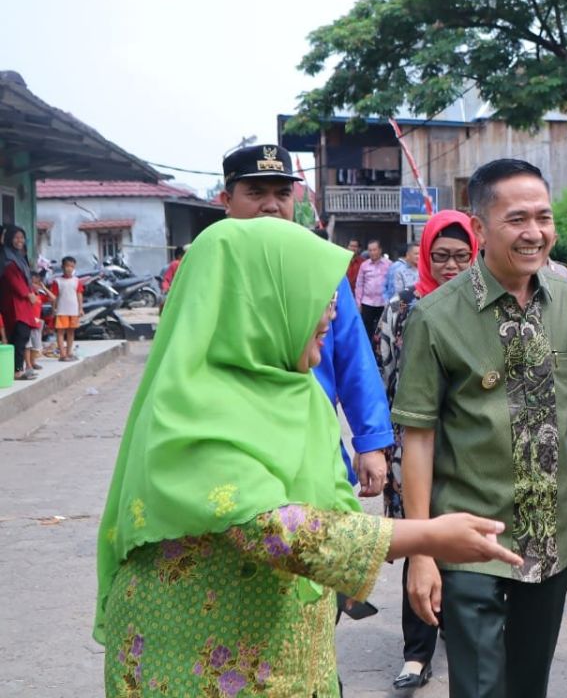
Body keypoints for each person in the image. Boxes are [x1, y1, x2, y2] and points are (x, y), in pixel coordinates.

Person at [93, 217, 521, 696]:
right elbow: (269, 527)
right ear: (259, 301)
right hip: (193, 661)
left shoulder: (303, 394)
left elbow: (333, 509)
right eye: (317, 297)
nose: (333, 315)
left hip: (293, 652)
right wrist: (425, 536)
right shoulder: (191, 403)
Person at [393, 158, 567, 698]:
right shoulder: (434, 317)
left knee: (529, 686)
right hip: (470, 538)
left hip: (553, 535)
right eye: (517, 219)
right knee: (479, 688)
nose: (535, 233)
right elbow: (419, 436)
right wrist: (422, 551)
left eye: (543, 218)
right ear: (479, 227)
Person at [219, 144, 391, 497]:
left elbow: (353, 358)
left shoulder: (320, 267)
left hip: (313, 443)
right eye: (255, 193)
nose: (271, 205)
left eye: (283, 194)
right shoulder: (213, 270)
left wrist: (370, 441)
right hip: (234, 452)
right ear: (226, 200)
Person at [377, 210, 479, 694]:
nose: (451, 267)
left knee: (463, 545)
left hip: (467, 447)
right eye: (441, 257)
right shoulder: (401, 307)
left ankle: (462, 638)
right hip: (411, 442)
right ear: (425, 256)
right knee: (421, 541)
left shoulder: (483, 305)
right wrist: (377, 444)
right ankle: (417, 654)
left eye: (462, 256)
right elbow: (383, 376)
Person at [1, 225, 39, 381]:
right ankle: (17, 370)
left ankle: (17, 368)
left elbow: (24, 277)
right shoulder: (6, 257)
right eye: (16, 237)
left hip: (21, 302)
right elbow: (12, 278)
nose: (20, 240)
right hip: (13, 301)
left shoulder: (18, 255)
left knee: (21, 335)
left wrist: (30, 291)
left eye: (22, 238)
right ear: (10, 238)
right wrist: (27, 293)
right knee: (19, 334)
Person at [50, 256, 85, 361]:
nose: (69, 268)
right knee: (60, 332)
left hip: (73, 311)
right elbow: (54, 297)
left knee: (71, 332)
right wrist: (53, 309)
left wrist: (80, 308)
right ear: (62, 267)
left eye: (72, 266)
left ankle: (69, 352)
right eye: (67, 266)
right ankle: (62, 354)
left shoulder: (76, 281)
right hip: (61, 311)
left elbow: (79, 295)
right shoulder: (57, 281)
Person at [355, 239, 390, 336]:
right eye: (370, 250)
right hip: (367, 302)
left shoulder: (389, 264)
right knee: (366, 330)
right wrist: (358, 303)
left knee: (382, 330)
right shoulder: (364, 265)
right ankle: (367, 349)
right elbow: (359, 285)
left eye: (374, 250)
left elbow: (391, 285)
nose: (372, 252)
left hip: (383, 303)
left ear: (380, 250)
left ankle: (380, 350)